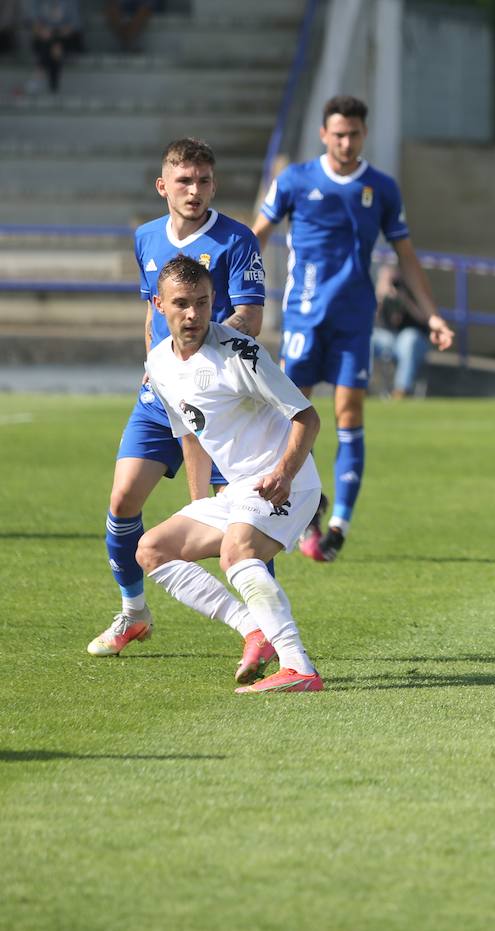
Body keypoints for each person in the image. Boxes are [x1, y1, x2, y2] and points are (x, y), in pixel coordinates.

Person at [252, 94, 455, 562]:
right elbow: (257, 235)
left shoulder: (381, 189)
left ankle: (340, 521)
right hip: (303, 315)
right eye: (338, 134)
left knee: (348, 411)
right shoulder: (296, 180)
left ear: (364, 136)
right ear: (324, 134)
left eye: (354, 134)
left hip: (353, 319)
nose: (346, 142)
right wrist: (231, 289)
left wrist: (433, 315)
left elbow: (406, 255)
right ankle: (309, 509)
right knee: (292, 418)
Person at [87, 138, 266, 659]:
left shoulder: (238, 240)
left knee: (240, 524)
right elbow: (153, 316)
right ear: (162, 186)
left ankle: (265, 631)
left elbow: (249, 320)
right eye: (184, 181)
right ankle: (134, 613)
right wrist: (159, 369)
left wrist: (193, 362)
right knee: (122, 502)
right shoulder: (145, 238)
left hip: (221, 401)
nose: (195, 191)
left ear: (214, 184)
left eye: (204, 181)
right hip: (158, 395)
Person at [134, 255, 324, 693]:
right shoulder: (160, 365)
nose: (193, 314)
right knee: (153, 550)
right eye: (181, 303)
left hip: (287, 484)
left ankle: (299, 667)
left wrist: (284, 473)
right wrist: (199, 501)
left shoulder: (241, 353)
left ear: (213, 300)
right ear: (159, 305)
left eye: (202, 302)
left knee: (237, 552)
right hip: (238, 491)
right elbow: (192, 437)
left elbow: (307, 418)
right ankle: (252, 628)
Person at [370, 263, 431, 398]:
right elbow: (369, 319)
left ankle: (401, 390)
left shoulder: (414, 290)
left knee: (409, 339)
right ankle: (360, 387)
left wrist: (405, 300)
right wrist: (379, 296)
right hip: (387, 339)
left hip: (413, 338)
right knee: (366, 339)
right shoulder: (380, 293)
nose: (394, 284)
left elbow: (425, 319)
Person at [25, 0, 82, 92]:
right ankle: (53, 84)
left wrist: (60, 32)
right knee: (54, 46)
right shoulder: (37, 2)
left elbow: (75, 24)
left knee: (54, 43)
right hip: (43, 37)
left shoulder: (72, 2)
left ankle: (39, 72)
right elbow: (33, 20)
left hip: (65, 37)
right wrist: (41, 31)